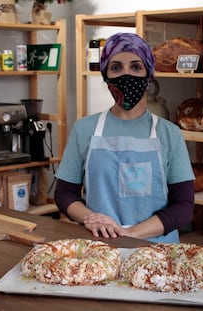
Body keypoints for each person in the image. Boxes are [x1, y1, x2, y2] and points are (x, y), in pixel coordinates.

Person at [54, 32, 194, 243]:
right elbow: (65, 194)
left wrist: (131, 234)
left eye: (135, 67)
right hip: (100, 245)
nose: (126, 75)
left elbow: (183, 206)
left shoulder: (169, 133)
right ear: (105, 76)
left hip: (157, 249)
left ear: (148, 75)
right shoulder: (84, 129)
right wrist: (90, 219)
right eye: (116, 67)